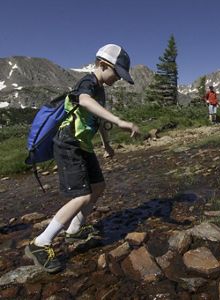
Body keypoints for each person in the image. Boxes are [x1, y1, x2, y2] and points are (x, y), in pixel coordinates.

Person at [25, 44, 140, 273]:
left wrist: (106, 144)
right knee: (82, 195)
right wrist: (119, 121)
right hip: (68, 144)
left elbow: (97, 120)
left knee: (98, 187)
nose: (117, 79)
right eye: (116, 73)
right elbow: (85, 101)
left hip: (84, 146)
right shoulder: (86, 82)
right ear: (102, 65)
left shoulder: (101, 90)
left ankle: (74, 230)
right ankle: (41, 242)